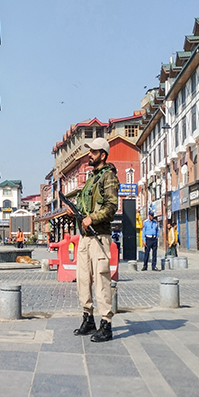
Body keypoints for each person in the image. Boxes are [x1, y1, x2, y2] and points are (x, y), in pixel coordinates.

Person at [67, 137, 119, 343]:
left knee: (101, 280)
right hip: (85, 238)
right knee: (82, 279)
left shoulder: (109, 177)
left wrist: (92, 218)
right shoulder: (91, 179)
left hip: (100, 238)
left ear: (103, 155)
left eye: (94, 152)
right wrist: (76, 213)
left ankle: (106, 324)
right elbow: (84, 206)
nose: (90, 154)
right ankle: (88, 318)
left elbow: (111, 207)